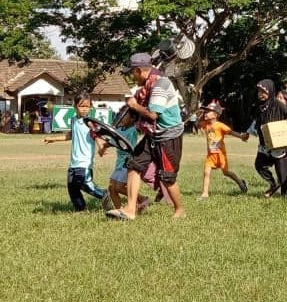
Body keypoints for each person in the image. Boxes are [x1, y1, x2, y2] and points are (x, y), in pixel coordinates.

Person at [106, 52, 185, 220]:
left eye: (132, 73)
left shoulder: (160, 84)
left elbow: (153, 115)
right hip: (153, 135)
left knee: (168, 177)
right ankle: (130, 209)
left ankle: (180, 210)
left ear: (139, 70)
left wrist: (134, 106)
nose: (132, 77)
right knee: (133, 165)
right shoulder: (147, 85)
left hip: (168, 136)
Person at [44, 91, 110, 212]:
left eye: (87, 106)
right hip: (74, 161)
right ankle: (81, 210)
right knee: (72, 187)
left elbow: (97, 136)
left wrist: (101, 147)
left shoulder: (90, 122)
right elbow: (70, 135)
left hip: (84, 162)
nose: (85, 109)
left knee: (85, 185)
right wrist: (53, 139)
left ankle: (105, 194)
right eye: (81, 105)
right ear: (75, 106)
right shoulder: (74, 119)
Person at [247, 79, 287, 198]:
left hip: (280, 144)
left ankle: (285, 197)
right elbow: (256, 122)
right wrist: (248, 133)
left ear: (270, 91)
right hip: (265, 144)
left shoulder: (278, 104)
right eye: (259, 92)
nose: (260, 94)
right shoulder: (261, 107)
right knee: (259, 165)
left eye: (263, 92)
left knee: (283, 173)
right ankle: (273, 184)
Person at [197, 100, 249, 200]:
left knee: (226, 172)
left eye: (208, 111)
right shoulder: (205, 124)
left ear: (215, 115)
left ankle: (241, 183)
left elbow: (231, 132)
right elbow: (198, 124)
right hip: (210, 155)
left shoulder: (220, 125)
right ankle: (205, 193)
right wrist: (200, 114)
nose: (205, 113)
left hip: (220, 155)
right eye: (205, 111)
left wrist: (241, 136)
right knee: (206, 172)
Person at [103, 106, 150, 212]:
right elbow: (111, 141)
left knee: (119, 187)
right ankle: (119, 211)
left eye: (124, 115)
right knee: (111, 188)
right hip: (119, 162)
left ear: (132, 119)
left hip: (127, 162)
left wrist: (112, 142)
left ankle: (142, 198)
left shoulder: (132, 130)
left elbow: (128, 146)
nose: (121, 117)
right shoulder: (119, 129)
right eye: (120, 115)